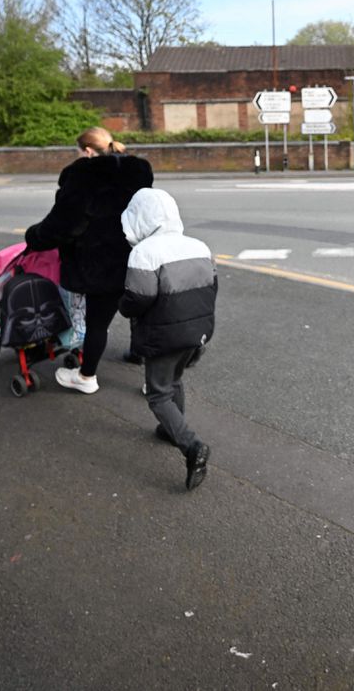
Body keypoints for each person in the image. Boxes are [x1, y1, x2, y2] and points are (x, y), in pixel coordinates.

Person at [25, 126, 153, 394]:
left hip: (99, 263)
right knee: (141, 312)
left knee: (97, 324)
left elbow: (64, 224)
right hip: (137, 256)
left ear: (86, 150)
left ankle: (87, 376)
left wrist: (33, 237)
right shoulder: (139, 171)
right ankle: (148, 370)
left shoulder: (83, 174)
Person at [118, 188, 218, 490]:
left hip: (162, 334)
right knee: (174, 381)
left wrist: (122, 306)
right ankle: (172, 428)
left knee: (158, 394)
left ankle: (191, 445)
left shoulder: (144, 253)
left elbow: (139, 297)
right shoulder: (198, 246)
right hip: (196, 332)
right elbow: (212, 286)